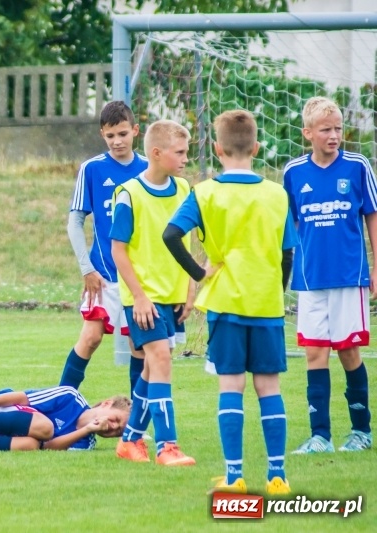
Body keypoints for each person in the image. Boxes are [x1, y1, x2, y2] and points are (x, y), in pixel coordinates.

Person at [164, 109, 296, 495]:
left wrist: (199, 273)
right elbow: (288, 254)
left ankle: (235, 477)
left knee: (231, 387)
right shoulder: (277, 194)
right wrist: (278, 289)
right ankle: (277, 476)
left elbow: (171, 235)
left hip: (226, 305)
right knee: (269, 388)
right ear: (256, 147)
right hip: (267, 305)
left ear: (216, 148)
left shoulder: (204, 192)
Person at [283, 96, 375, 454]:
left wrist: (375, 267)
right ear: (308, 133)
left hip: (349, 276)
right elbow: (288, 225)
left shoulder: (357, 167)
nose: (334, 135)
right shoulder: (293, 173)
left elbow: (372, 215)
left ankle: (361, 431)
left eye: (337, 129)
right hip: (310, 280)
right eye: (325, 130)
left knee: (349, 351)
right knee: (315, 353)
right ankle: (320, 435)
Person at [110, 119, 196, 467]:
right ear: (157, 154)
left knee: (152, 368)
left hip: (172, 295)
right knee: (160, 360)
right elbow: (118, 250)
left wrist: (190, 284)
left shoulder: (184, 189)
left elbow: (188, 240)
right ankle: (167, 447)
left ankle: (130, 440)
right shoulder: (129, 194)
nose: (185, 159)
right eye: (180, 153)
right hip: (142, 299)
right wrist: (139, 296)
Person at [59, 101, 147, 395]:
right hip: (104, 273)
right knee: (90, 338)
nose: (117, 141)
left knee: (139, 346)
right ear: (102, 135)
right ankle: (60, 406)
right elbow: (75, 222)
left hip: (140, 276)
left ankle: (136, 423)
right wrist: (87, 268)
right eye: (110, 136)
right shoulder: (92, 169)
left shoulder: (149, 169)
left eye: (123, 133)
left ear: (135, 130)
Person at [0, 387, 130, 451]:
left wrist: (87, 430)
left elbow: (48, 447)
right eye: (115, 419)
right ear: (106, 404)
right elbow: (20, 397)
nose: (112, 427)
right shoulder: (71, 398)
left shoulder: (86, 442)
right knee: (45, 427)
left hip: (8, 439)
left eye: (117, 431)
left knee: (32, 445)